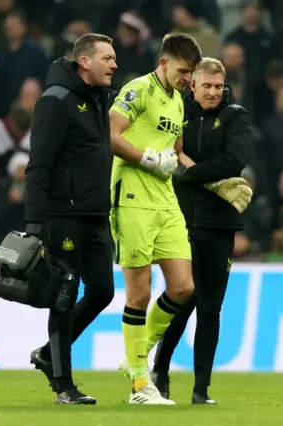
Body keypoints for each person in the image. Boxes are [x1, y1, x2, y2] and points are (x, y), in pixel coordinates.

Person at [150, 57, 254, 405]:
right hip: (179, 221)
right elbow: (164, 153)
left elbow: (233, 160)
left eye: (218, 86)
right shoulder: (176, 111)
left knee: (211, 307)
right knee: (184, 297)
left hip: (220, 225)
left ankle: (200, 390)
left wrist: (188, 170)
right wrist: (202, 176)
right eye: (206, 85)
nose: (212, 92)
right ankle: (160, 371)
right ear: (192, 85)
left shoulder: (235, 115)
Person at [108, 33, 203, 405]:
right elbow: (111, 133)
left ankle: (135, 357)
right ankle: (138, 385)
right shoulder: (138, 90)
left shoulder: (178, 101)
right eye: (183, 70)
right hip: (132, 197)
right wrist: (146, 158)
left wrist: (217, 182)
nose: (186, 78)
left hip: (165, 200)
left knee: (182, 287)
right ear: (164, 62)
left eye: (190, 72)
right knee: (140, 291)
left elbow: (177, 153)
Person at [25, 33, 118, 404]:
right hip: (61, 214)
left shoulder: (99, 98)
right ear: (85, 62)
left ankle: (48, 353)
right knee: (64, 293)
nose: (114, 65)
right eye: (107, 58)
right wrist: (34, 223)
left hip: (95, 214)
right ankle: (64, 383)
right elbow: (39, 165)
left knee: (103, 291)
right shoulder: (55, 101)